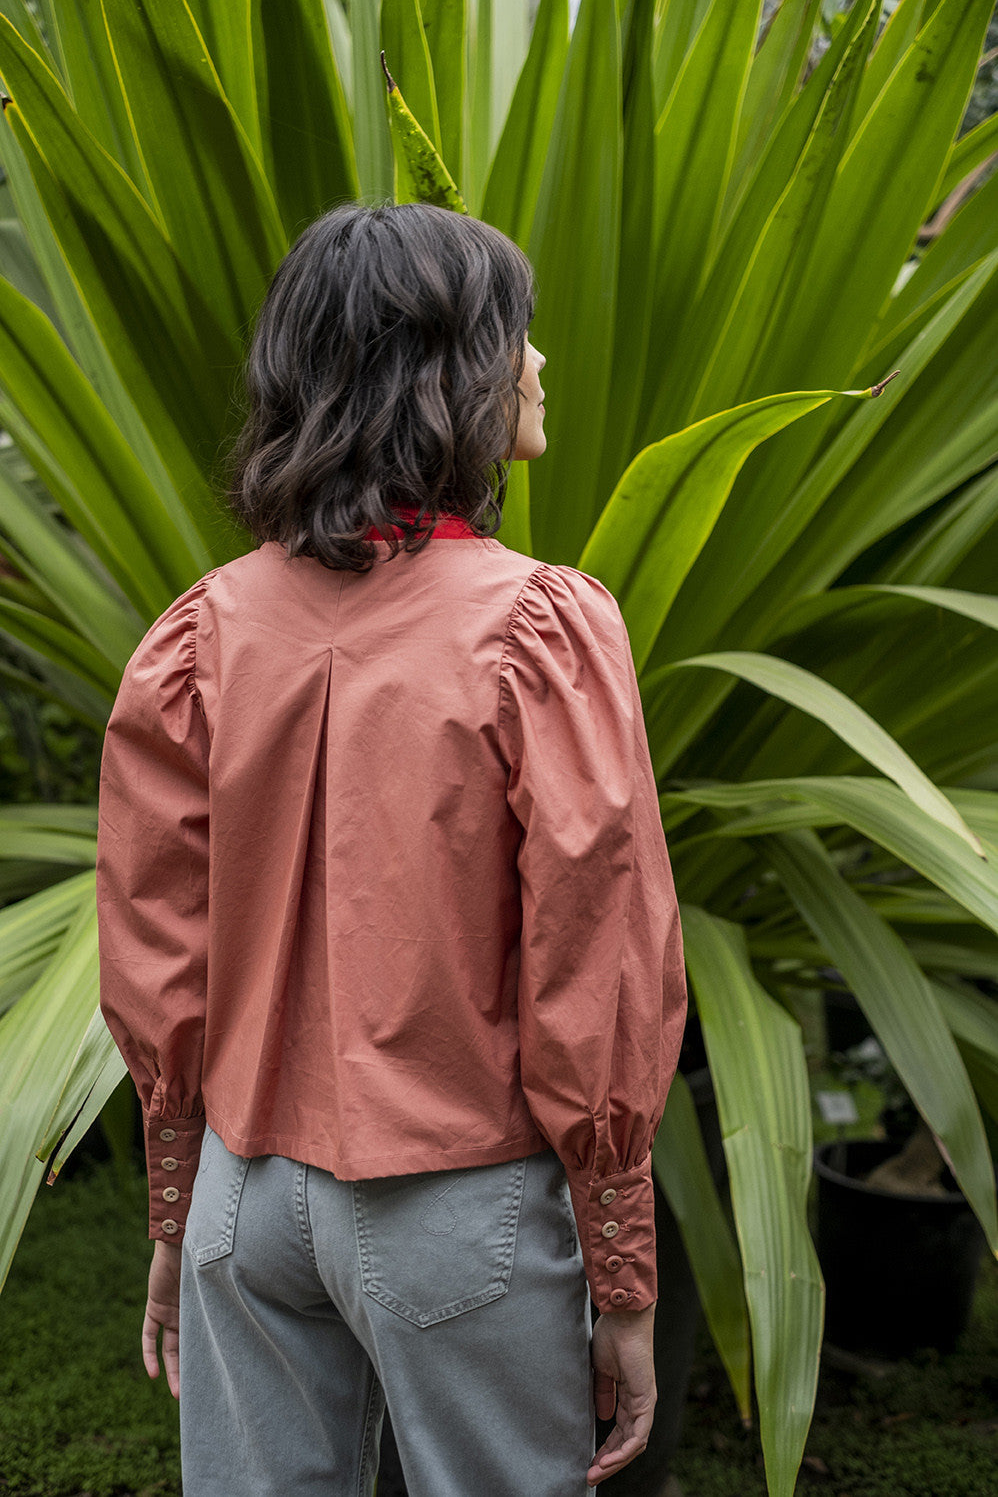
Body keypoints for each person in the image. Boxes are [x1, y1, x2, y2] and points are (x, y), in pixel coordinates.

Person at [95, 200, 688, 1497]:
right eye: (516, 334)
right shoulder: (540, 630)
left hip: (242, 1199)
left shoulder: (200, 635)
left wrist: (177, 1207)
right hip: (458, 1209)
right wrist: (623, 1274)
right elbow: (595, 962)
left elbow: (155, 954)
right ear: (448, 373)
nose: (540, 361)